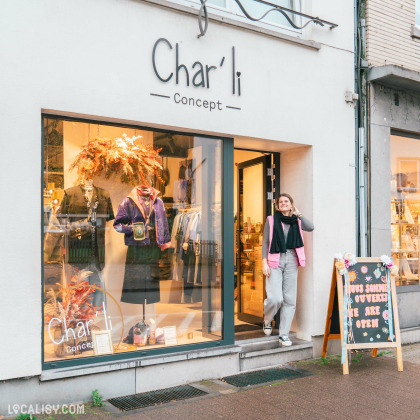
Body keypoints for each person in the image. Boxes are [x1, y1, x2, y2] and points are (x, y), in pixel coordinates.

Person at [262, 193, 314, 346]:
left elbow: (310, 227)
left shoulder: (297, 220)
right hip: (274, 260)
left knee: (289, 299)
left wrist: (298, 213)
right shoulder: (271, 220)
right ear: (277, 206)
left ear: (291, 204)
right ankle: (267, 319)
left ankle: (283, 334)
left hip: (292, 259)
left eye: (286, 201)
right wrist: (264, 263)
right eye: (281, 202)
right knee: (275, 298)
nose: (283, 203)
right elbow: (265, 242)